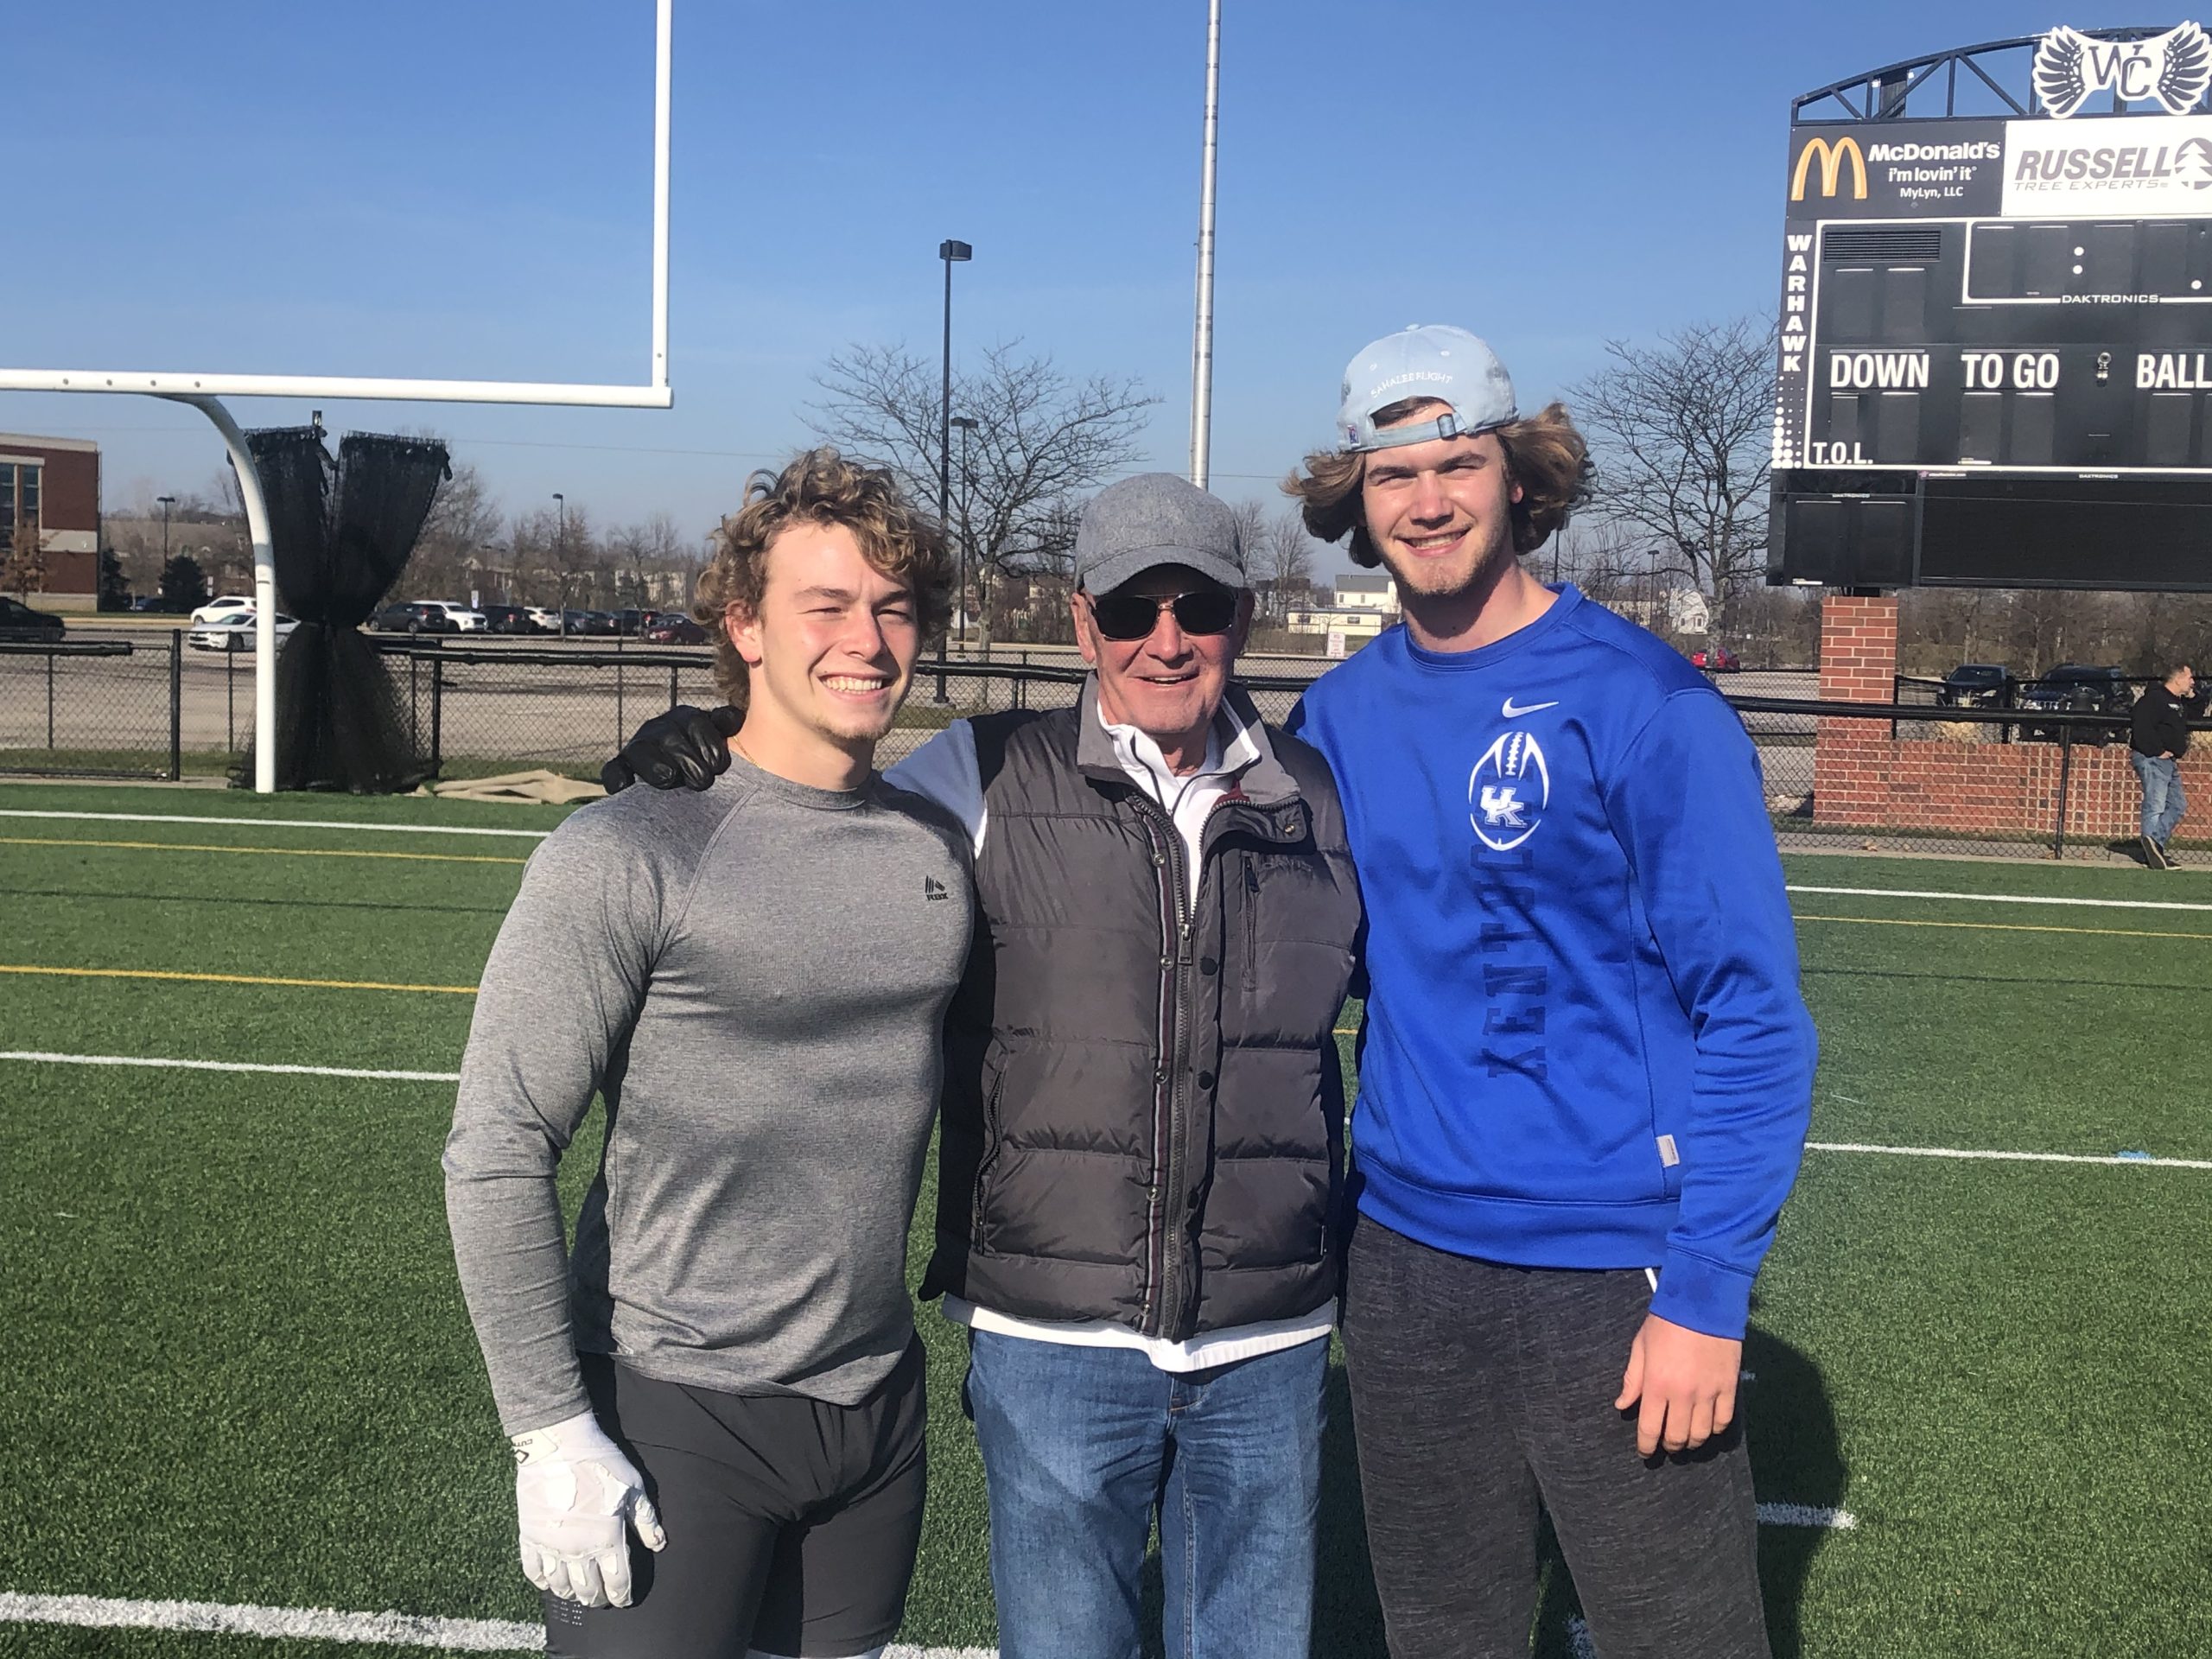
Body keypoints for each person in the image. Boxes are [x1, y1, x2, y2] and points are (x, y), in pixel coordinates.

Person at [605, 474, 1363, 1659]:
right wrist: (700, 776)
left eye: (1198, 606)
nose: (1166, 640)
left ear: (1243, 618)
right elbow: (817, 841)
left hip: (1265, 1342)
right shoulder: (982, 773)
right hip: (1052, 1341)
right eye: (1130, 609)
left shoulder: (1317, 797)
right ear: (1080, 620)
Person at [1283, 326, 1818, 1659]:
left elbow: (1753, 1013)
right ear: (1357, 496)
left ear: (1520, 476)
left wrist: (1703, 1292)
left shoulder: (1642, 701)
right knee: (1444, 1638)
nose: (1427, 501)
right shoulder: (1334, 720)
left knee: (1677, 1640)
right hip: (1405, 1266)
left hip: (1612, 1271)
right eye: (1394, 473)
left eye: (1457, 463)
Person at [443, 448, 972, 1659]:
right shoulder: (625, 850)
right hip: (670, 1406)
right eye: (825, 606)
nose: (869, 641)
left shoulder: (937, 842)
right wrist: (548, 1430)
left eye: (896, 608)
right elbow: (496, 1147)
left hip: (873, 1412)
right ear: (743, 623)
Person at [2128, 663, 2195, 869]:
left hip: (2169, 761)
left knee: (2178, 805)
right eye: (2189, 677)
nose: (2193, 682)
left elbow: (2198, 709)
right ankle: (2153, 854)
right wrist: (2157, 751)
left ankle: (2154, 843)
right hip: (2153, 758)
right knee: (2155, 805)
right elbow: (2141, 726)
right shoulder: (2155, 699)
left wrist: (2193, 696)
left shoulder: (2177, 702)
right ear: (2177, 678)